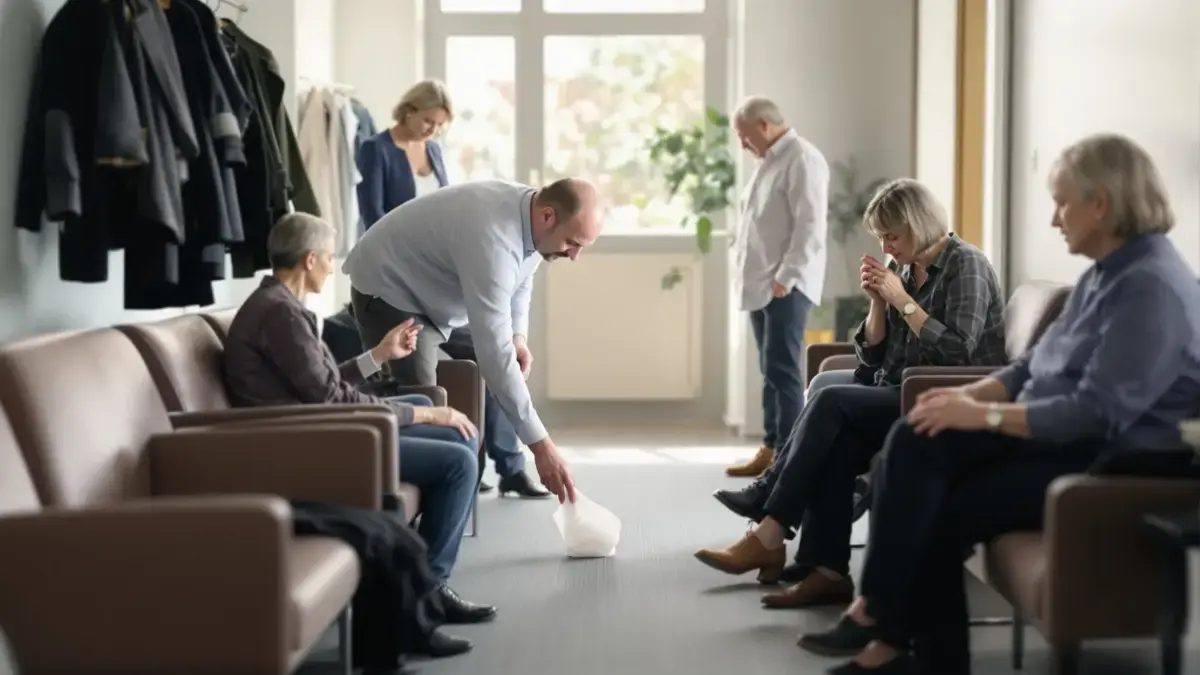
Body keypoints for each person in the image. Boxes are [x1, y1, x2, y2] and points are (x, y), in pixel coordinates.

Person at [798, 133, 1200, 675]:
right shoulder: (1107, 275)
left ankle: (887, 628)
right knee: (918, 434)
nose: (1055, 219)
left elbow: (1098, 414)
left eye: (1062, 202)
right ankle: (887, 635)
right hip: (1050, 437)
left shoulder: (1151, 288)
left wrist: (984, 415)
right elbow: (1032, 365)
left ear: (1100, 204)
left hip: (1099, 460)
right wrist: (970, 394)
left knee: (926, 478)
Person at [695, 179, 1009, 611]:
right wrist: (878, 304)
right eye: (881, 237)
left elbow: (958, 350)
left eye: (893, 236)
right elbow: (872, 359)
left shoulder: (965, 264)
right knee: (836, 428)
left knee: (829, 399)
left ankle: (769, 524)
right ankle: (827, 572)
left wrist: (903, 303)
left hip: (948, 396)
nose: (887, 245)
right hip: (902, 386)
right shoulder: (903, 268)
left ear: (920, 225)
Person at [221, 213, 498, 651]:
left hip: (318, 422)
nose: (332, 267)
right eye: (329, 258)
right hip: (311, 439)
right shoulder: (281, 316)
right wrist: (425, 419)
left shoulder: (279, 307)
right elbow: (329, 401)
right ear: (310, 259)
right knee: (458, 459)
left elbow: (324, 385)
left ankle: (422, 580)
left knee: (432, 409)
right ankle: (429, 591)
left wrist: (379, 354)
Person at [344, 178, 604, 505]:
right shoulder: (494, 237)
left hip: (438, 296)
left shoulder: (535, 219)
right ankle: (413, 510)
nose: (575, 255)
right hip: (388, 288)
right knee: (424, 398)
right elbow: (495, 354)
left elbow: (522, 282)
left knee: (503, 359)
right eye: (573, 243)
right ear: (549, 217)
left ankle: (507, 469)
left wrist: (517, 336)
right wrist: (543, 448)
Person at [724, 96, 830, 479]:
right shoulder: (769, 162)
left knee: (783, 371)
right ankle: (771, 448)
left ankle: (789, 455)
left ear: (765, 125)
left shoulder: (802, 159)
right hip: (762, 283)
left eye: (744, 134)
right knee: (770, 369)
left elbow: (810, 227)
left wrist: (786, 277)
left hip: (787, 284)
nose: (742, 144)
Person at [356, 79, 452, 229]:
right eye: (428, 121)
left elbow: (444, 202)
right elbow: (372, 214)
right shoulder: (376, 149)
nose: (432, 131)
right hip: (391, 246)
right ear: (409, 111)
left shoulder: (433, 149)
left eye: (439, 124)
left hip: (431, 246)